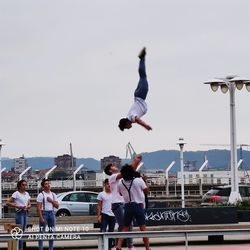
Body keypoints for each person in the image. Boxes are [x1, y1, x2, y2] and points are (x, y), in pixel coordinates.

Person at [116, 164, 150, 250]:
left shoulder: (120, 183)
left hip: (127, 206)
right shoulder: (138, 180)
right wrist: (144, 180)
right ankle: (147, 247)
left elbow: (120, 193)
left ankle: (119, 245)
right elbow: (146, 191)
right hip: (138, 205)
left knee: (125, 227)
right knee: (143, 228)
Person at [118, 47, 152, 131]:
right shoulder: (130, 117)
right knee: (142, 76)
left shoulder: (131, 118)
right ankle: (142, 58)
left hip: (140, 95)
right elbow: (137, 120)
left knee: (143, 76)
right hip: (138, 95)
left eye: (126, 127)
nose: (128, 129)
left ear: (126, 123)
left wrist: (146, 126)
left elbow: (138, 120)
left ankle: (142, 58)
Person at [6, 180, 31, 250]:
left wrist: (28, 207)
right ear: (19, 186)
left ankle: (21, 247)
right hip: (19, 213)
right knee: (20, 232)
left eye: (26, 185)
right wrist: (17, 206)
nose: (25, 186)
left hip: (25, 213)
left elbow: (29, 204)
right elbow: (7, 202)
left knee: (23, 232)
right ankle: (20, 248)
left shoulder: (27, 194)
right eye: (23, 185)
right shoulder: (16, 193)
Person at [36, 179, 59, 250]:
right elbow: (38, 207)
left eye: (49, 183)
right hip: (44, 213)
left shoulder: (53, 194)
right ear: (43, 186)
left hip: (52, 213)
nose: (48, 185)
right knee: (41, 233)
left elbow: (57, 206)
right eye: (46, 184)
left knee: (52, 232)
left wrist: (51, 201)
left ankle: (51, 248)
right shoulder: (41, 195)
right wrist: (41, 217)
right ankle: (40, 248)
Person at [97, 179, 116, 250]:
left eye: (110, 184)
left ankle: (109, 247)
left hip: (113, 216)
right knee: (103, 231)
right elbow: (99, 206)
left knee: (111, 232)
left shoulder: (114, 194)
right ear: (104, 184)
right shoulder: (101, 194)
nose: (109, 185)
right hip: (104, 214)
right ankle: (103, 246)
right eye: (107, 183)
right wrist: (99, 216)